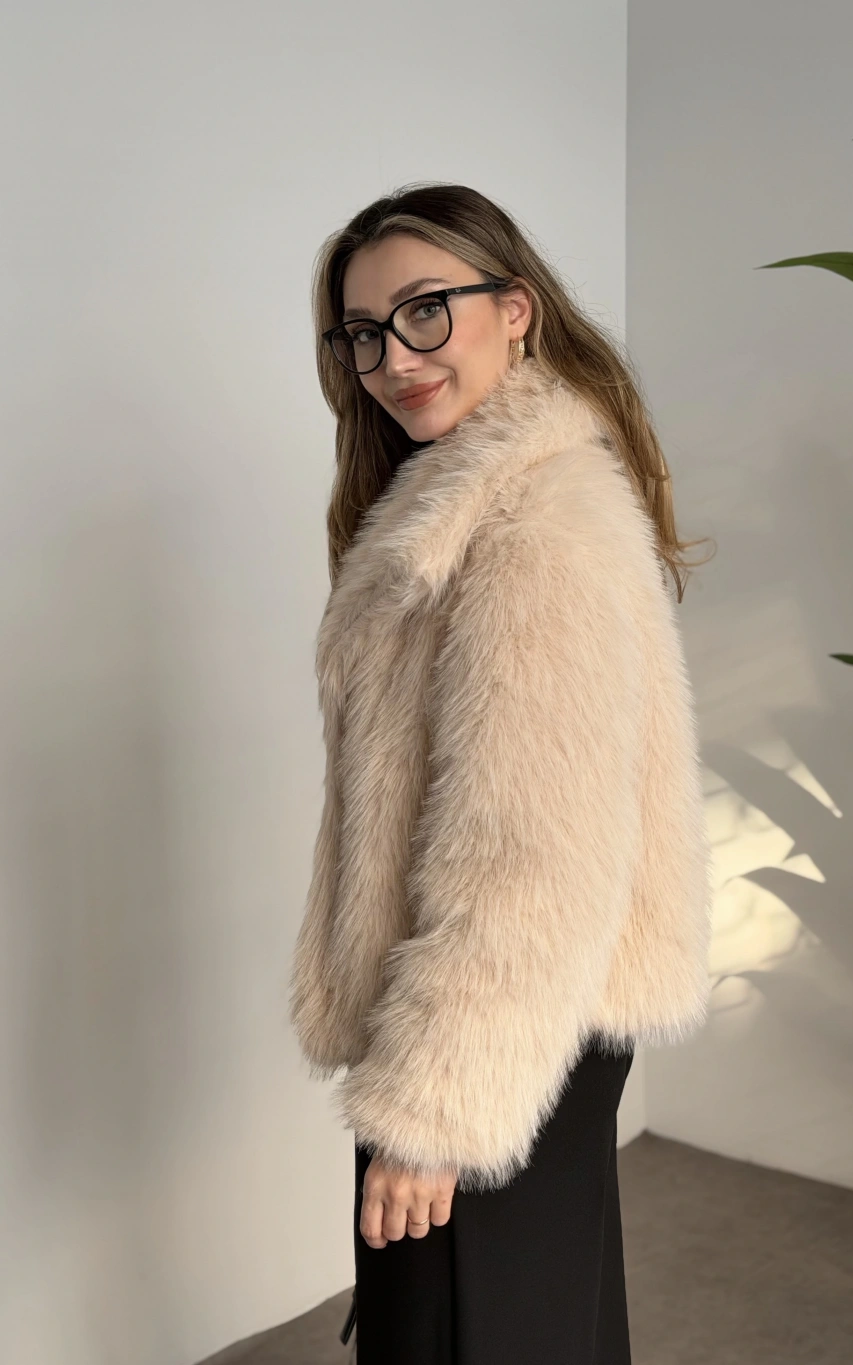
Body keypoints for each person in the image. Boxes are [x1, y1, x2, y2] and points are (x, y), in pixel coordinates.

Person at [288, 182, 715, 1364]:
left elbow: (530, 855)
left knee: (469, 1330)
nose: (392, 358)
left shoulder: (536, 526)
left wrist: (432, 1111)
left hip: (502, 1020)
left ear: (514, 310)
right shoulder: (458, 501)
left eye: (427, 310)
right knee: (527, 1318)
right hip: (512, 1008)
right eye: (363, 332)